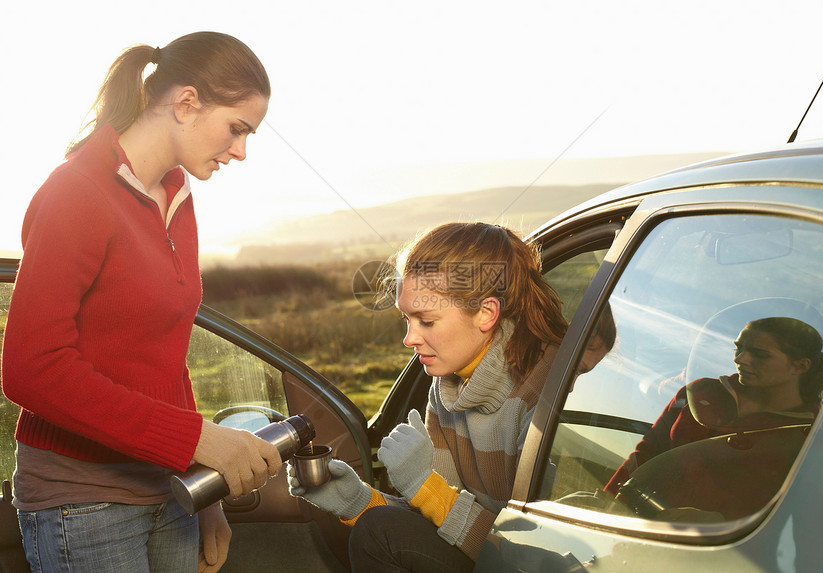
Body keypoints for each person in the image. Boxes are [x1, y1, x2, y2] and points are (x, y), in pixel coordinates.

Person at [0, 32, 281, 572]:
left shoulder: (176, 195)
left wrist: (208, 493)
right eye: (237, 128)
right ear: (185, 103)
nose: (241, 150)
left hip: (169, 490)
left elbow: (165, 361)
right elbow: (31, 370)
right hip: (82, 505)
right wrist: (198, 439)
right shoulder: (75, 192)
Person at [288, 222, 612, 572]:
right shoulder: (446, 391)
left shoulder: (549, 394)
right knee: (376, 526)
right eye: (406, 319)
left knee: (378, 532)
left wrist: (423, 487)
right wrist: (359, 502)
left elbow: (535, 557)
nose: (409, 338)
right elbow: (441, 519)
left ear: (486, 314)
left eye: (426, 321)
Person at [605, 316, 823, 496]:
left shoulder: (814, 436)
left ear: (800, 366)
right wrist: (605, 505)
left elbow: (814, 532)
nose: (740, 359)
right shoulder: (700, 391)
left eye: (759, 354)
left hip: (720, 550)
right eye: (739, 348)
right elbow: (644, 456)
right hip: (636, 535)